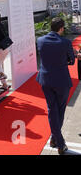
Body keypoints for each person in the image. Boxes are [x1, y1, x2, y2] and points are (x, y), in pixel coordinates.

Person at [37, 17, 75, 155]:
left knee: (52, 110)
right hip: (61, 81)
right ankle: (60, 143)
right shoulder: (65, 42)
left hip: (46, 80)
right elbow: (71, 61)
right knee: (59, 111)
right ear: (61, 28)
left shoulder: (40, 40)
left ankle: (54, 139)